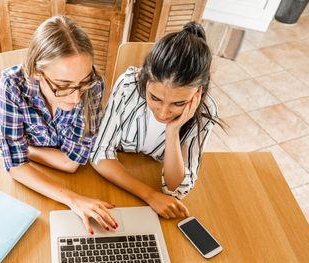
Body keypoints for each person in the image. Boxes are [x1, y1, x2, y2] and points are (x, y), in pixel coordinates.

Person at [0, 16, 117, 234]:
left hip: (71, 176)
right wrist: (73, 200)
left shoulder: (95, 85)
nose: (76, 98)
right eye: (63, 86)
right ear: (36, 72)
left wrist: (23, 149)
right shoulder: (11, 85)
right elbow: (16, 168)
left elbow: (71, 164)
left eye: (83, 83)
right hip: (35, 187)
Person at [90, 22, 219, 220]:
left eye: (178, 103)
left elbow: (177, 189)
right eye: (155, 98)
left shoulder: (206, 110)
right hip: (120, 179)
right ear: (145, 79)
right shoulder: (128, 86)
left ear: (198, 93)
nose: (163, 113)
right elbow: (100, 154)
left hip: (142, 176)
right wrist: (149, 195)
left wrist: (173, 131)